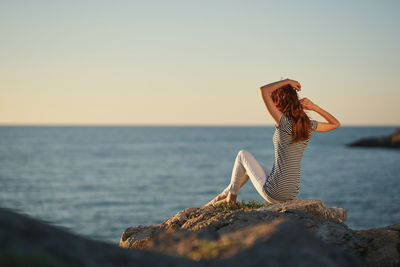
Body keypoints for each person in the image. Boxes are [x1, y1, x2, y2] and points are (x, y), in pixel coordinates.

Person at [205, 78, 341, 206]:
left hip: (274, 193)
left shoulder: (283, 122)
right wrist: (314, 107)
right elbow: (335, 124)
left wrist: (287, 81)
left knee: (242, 155)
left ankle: (231, 198)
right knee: (251, 167)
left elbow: (263, 90)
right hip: (291, 194)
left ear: (280, 101)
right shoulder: (307, 125)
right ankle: (225, 193)